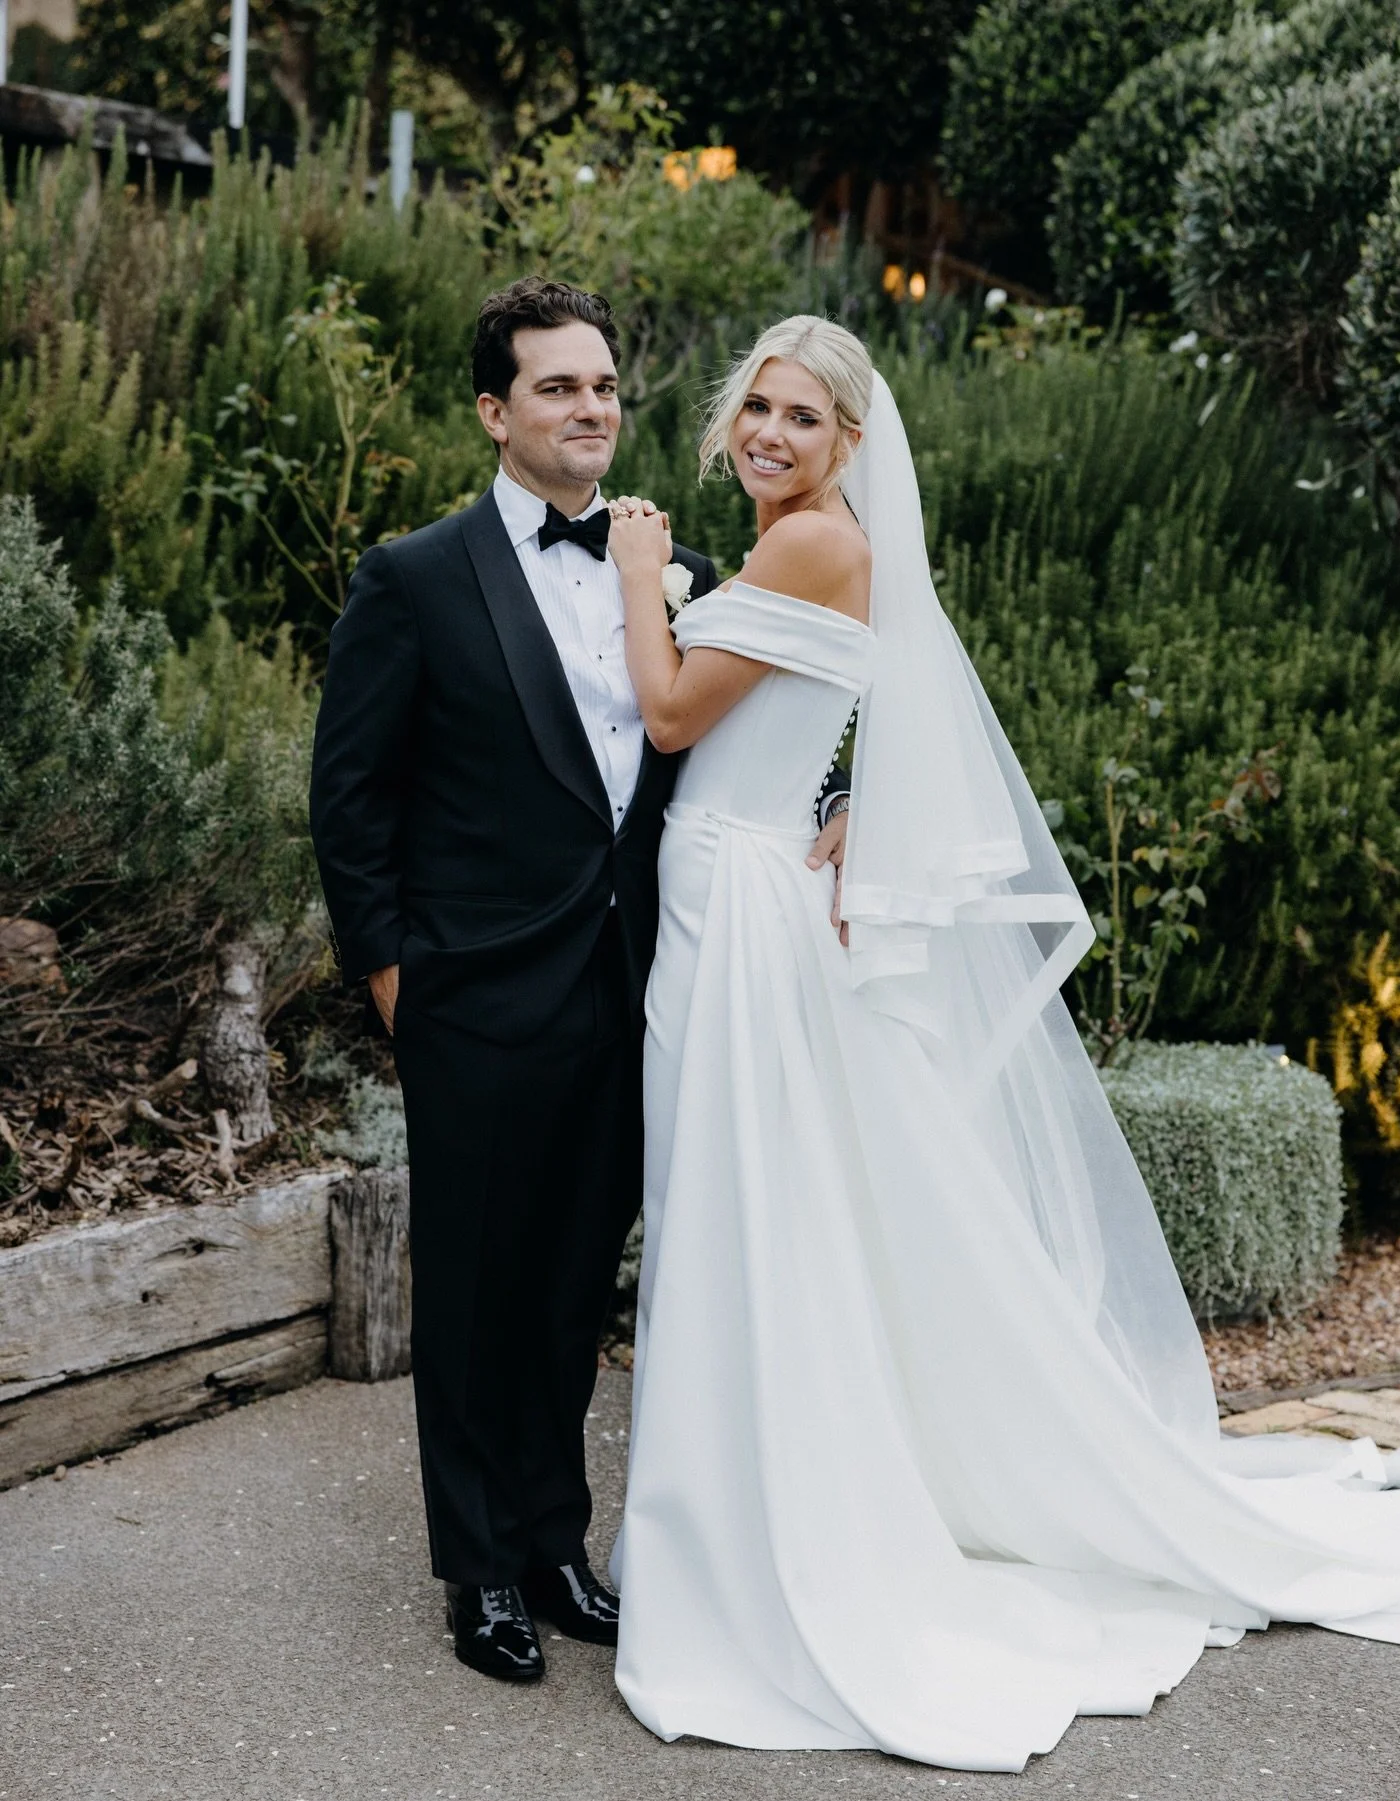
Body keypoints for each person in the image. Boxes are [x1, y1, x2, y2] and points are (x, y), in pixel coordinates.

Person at [605, 314, 1400, 1773]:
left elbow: (673, 716)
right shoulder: (816, 549)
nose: (771, 437)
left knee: (728, 1215)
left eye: (805, 419)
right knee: (752, 1215)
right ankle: (747, 1505)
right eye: (758, 408)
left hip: (737, 909)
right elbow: (865, 699)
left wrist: (635, 579)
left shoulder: (807, 546)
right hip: (747, 892)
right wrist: (852, 797)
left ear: (852, 444)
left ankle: (743, 1544)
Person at [308, 279, 851, 1686]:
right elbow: (352, 802)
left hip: (638, 980)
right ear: (496, 412)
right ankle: (479, 1570)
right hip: (474, 997)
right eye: (557, 387)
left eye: (604, 385)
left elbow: (770, 703)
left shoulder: (665, 559)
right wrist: (393, 985)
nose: (591, 408)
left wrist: (855, 798)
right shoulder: (415, 578)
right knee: (478, 1289)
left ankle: (556, 1544)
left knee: (566, 1290)